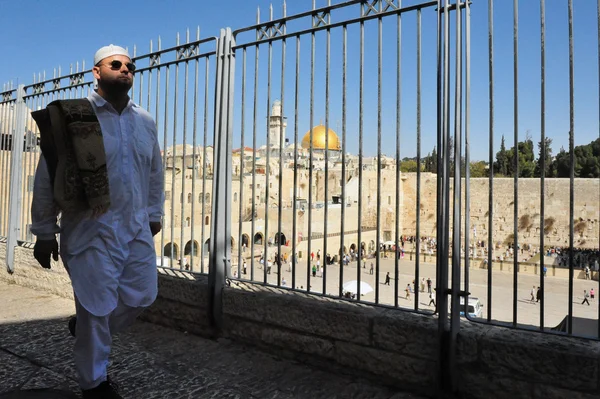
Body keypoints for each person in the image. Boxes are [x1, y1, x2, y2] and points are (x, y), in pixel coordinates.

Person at [31, 45, 164, 398]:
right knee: (97, 307)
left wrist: (154, 214)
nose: (125, 69)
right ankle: (94, 384)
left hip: (134, 227)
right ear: (96, 71)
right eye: (116, 64)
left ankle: (86, 325)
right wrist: (45, 232)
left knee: (142, 295)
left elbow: (155, 172)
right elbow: (48, 175)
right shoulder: (76, 117)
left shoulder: (145, 121)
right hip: (90, 229)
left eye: (130, 66)